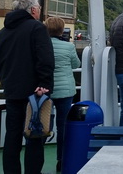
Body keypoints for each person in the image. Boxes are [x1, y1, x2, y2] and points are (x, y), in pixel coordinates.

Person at [0, 0, 54, 174]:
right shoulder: (37, 28)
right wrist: (44, 84)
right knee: (35, 136)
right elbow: (45, 59)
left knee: (12, 137)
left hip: (12, 91)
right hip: (35, 93)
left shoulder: (1, 33)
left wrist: (7, 81)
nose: (40, 11)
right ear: (33, 10)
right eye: (39, 8)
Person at [44, 17, 81, 172]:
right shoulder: (68, 47)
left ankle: (38, 158)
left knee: (43, 124)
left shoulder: (41, 46)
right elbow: (76, 64)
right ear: (62, 30)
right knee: (63, 126)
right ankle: (61, 160)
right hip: (65, 91)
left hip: (46, 90)